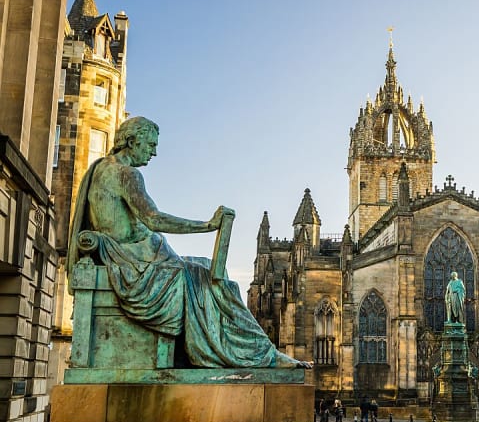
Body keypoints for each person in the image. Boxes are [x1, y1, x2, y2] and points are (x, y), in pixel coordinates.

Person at [67, 116, 312, 369]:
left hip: (136, 257)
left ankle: (259, 351)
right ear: (131, 141)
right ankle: (262, 355)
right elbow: (154, 219)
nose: (154, 152)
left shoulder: (100, 168)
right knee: (216, 284)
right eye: (150, 145)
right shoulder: (126, 174)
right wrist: (207, 225)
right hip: (138, 262)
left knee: (209, 268)